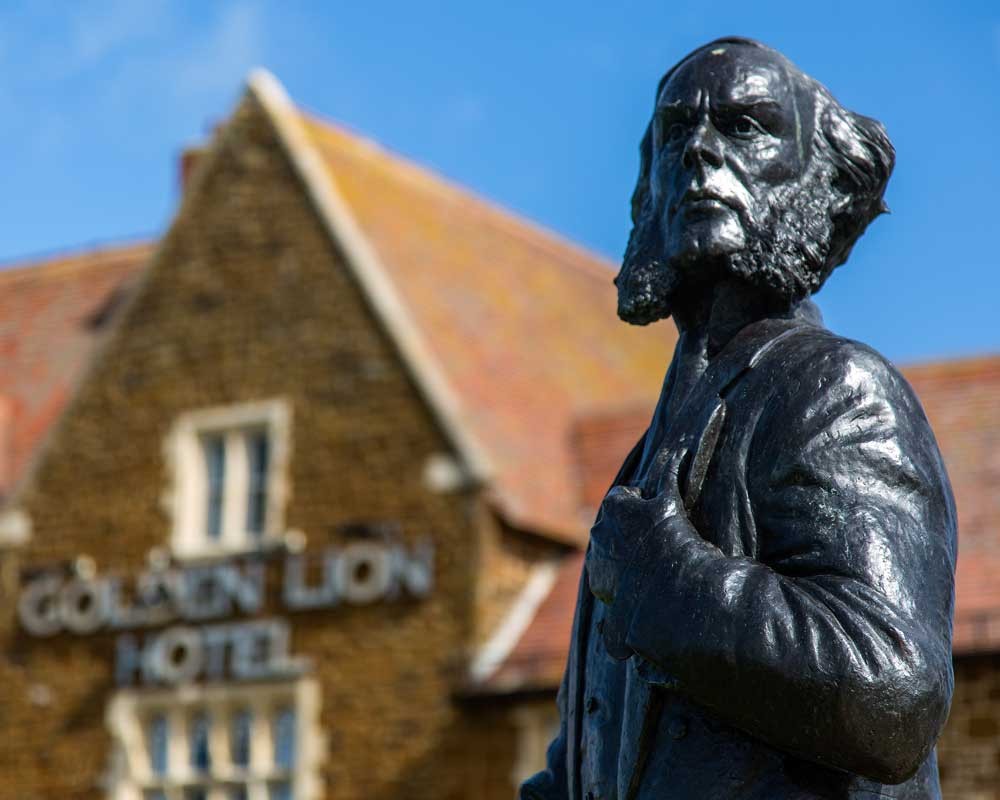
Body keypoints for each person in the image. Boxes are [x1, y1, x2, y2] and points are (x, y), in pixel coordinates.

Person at [520, 37, 956, 800]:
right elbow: (600, 739)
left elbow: (894, 692)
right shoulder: (650, 451)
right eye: (675, 132)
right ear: (646, 191)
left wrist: (673, 585)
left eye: (744, 126)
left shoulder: (836, 389)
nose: (699, 152)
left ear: (815, 179)